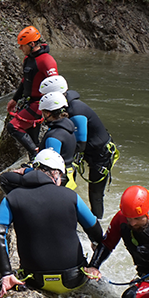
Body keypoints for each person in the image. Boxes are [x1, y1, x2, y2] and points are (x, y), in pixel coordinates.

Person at [0, 149, 103, 297]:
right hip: (73, 279)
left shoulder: (12, 197)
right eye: (61, 176)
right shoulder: (71, 196)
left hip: (35, 279)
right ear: (55, 173)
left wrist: (6, 273)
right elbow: (97, 233)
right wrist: (94, 263)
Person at [38, 75, 117, 218]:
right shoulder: (64, 108)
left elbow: (80, 144)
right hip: (89, 151)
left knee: (95, 193)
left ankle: (96, 223)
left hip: (100, 154)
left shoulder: (76, 111)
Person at [6, 26, 59, 160]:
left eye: (22, 46)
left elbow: (56, 85)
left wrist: (52, 110)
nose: (20, 48)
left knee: (13, 127)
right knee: (33, 137)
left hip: (40, 103)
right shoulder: (28, 59)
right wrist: (15, 99)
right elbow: (25, 81)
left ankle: (36, 155)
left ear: (32, 44)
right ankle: (34, 161)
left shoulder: (46, 60)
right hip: (30, 101)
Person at [38, 90, 78, 190]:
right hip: (69, 173)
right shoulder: (68, 125)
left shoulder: (54, 136)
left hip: (59, 179)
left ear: (47, 113)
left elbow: (50, 166)